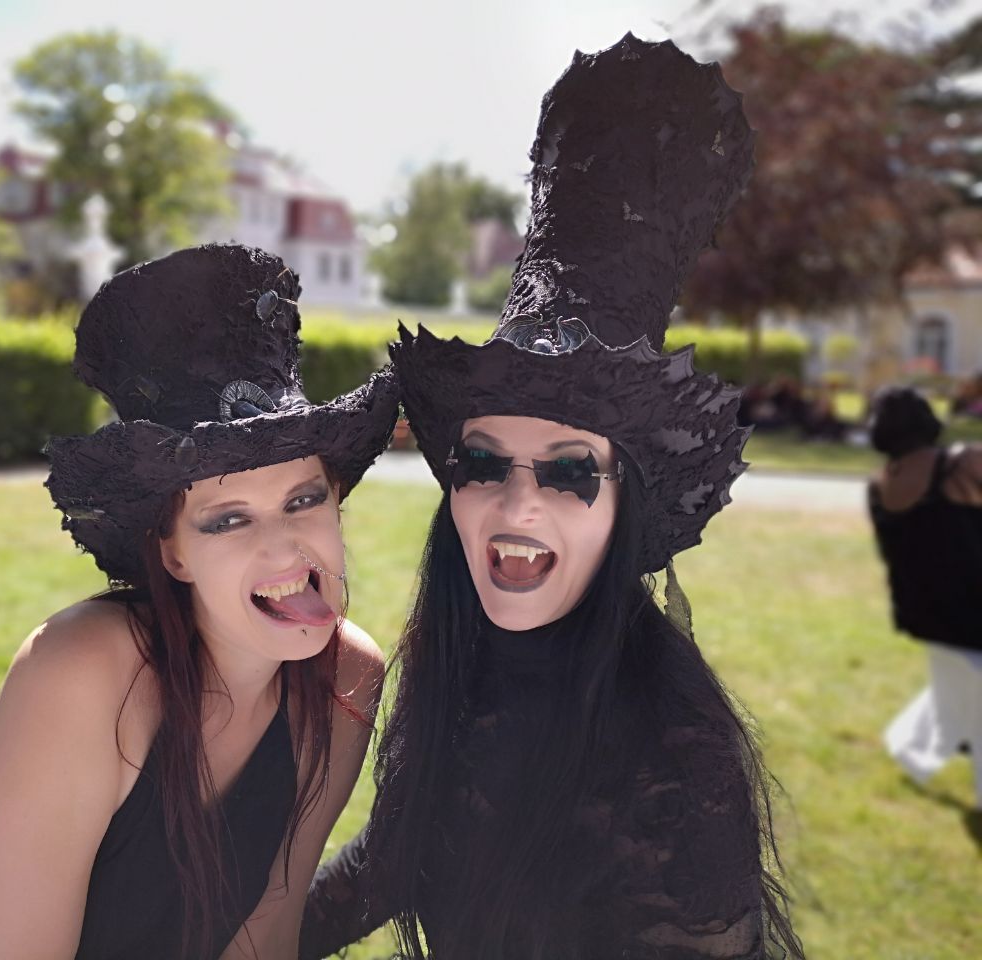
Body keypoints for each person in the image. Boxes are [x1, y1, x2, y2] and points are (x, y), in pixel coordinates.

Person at [299, 35, 803, 960]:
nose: (516, 506)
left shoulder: (676, 763)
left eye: (569, 472)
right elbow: (398, 855)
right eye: (483, 465)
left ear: (623, 507)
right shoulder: (456, 661)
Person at [0, 244, 399, 959]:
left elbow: (267, 932)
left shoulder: (346, 679)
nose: (284, 547)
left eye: (303, 500)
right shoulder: (85, 670)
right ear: (172, 552)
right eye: (228, 520)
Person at [868, 386, 982, 809]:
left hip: (925, 611)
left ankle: (909, 749)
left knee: (959, 683)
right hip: (970, 611)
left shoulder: (882, 483)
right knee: (966, 684)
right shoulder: (960, 463)